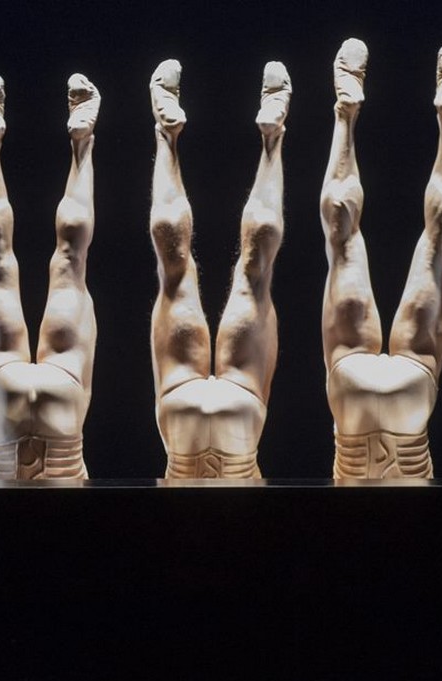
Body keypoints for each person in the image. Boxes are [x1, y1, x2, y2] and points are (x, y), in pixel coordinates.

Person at [320, 39, 442, 479]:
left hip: (400, 396)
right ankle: (440, 117)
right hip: (375, 398)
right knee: (346, 237)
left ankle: (354, 113)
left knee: (436, 241)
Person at [148, 59, 290, 478]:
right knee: (251, 266)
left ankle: (166, 134)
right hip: (237, 407)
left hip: (185, 403)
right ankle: (272, 136)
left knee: (178, 261)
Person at [0, 73, 100, 480]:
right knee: (1, 264)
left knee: (67, 265)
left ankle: (78, 143)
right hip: (15, 393)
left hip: (48, 398)